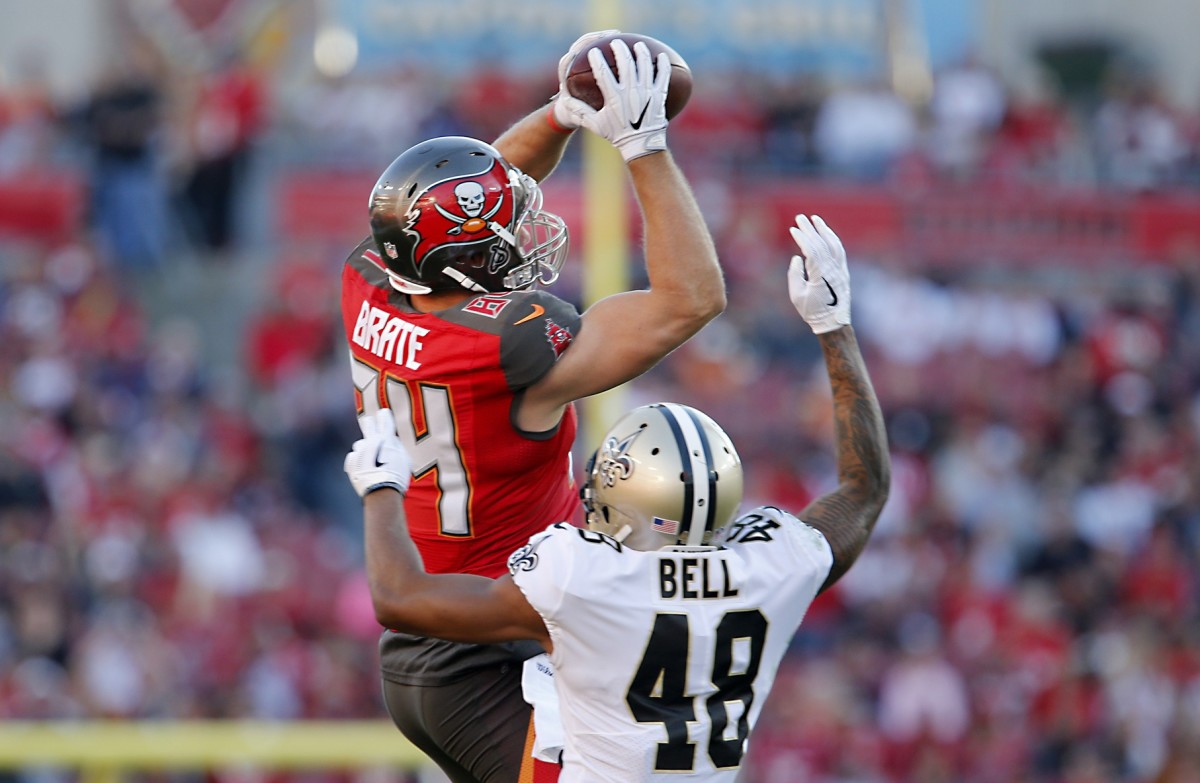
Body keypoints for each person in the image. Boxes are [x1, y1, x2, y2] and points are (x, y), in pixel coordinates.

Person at [344, 214, 892, 781]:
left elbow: (399, 600)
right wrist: (835, 325)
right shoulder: (769, 568)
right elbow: (864, 489)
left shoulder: (583, 576)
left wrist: (381, 487)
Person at [339, 32, 725, 783]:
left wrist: (563, 112)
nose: (525, 230)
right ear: (461, 264)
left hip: (436, 640)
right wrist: (643, 146)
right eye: (504, 232)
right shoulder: (507, 346)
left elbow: (484, 185)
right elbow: (692, 299)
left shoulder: (368, 278)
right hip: (488, 652)